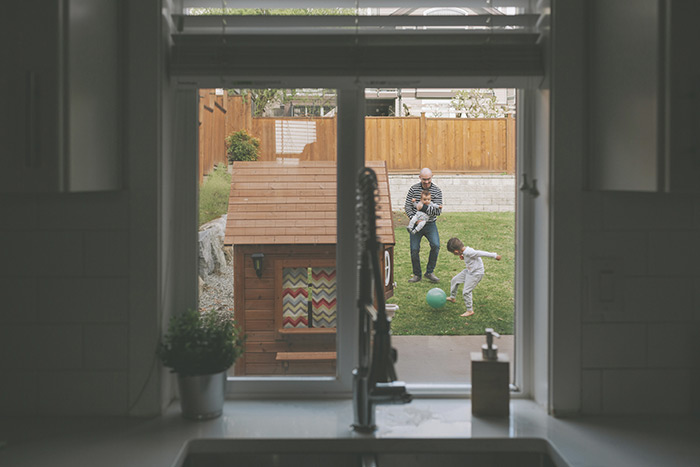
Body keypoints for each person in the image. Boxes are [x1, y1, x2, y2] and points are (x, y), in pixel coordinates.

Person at [445, 236, 501, 319]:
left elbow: (481, 253)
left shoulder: (470, 252)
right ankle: (452, 297)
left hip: (476, 274)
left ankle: (469, 310)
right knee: (454, 280)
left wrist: (495, 256)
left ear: (456, 251)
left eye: (453, 253)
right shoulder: (464, 252)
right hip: (469, 271)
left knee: (466, 291)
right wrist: (463, 256)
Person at [404, 168, 443, 283]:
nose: (426, 182)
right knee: (414, 249)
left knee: (435, 245)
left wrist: (423, 207)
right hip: (416, 224)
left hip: (430, 224)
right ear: (420, 177)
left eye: (428, 179)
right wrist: (415, 220)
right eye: (424, 179)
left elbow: (438, 212)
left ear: (432, 177)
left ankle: (429, 272)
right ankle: (417, 274)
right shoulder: (413, 189)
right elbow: (407, 206)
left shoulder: (437, 191)